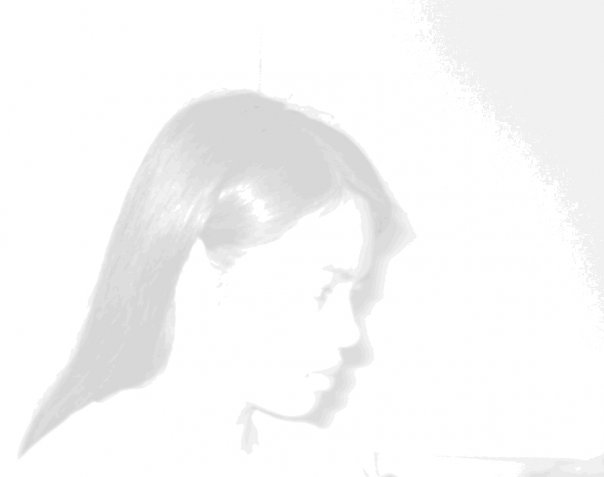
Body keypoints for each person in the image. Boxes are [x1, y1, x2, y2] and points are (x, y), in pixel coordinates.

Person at [17, 90, 412, 475]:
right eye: (322, 290)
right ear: (194, 275)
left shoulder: (329, 464)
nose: (350, 333)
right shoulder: (77, 464)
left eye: (354, 294)